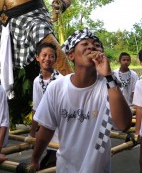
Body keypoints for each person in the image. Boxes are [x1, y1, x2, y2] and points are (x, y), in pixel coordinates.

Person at [29, 29, 132, 172]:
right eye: (85, 43)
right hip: (66, 168)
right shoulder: (57, 88)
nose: (91, 47)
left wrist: (108, 76)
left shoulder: (108, 86)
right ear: (71, 55)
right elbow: (47, 128)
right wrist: (35, 159)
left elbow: (123, 125)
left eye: (96, 45)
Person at [29, 42, 63, 169]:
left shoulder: (61, 80)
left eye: (51, 56)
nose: (47, 59)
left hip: (60, 134)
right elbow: (36, 109)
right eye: (44, 55)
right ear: (37, 57)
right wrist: (32, 134)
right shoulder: (37, 81)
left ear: (55, 59)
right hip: (47, 134)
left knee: (50, 166)